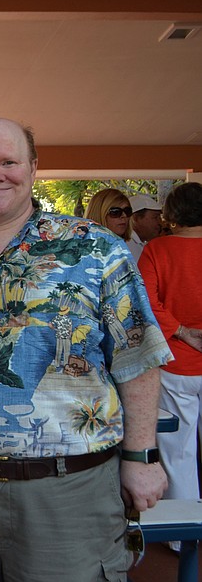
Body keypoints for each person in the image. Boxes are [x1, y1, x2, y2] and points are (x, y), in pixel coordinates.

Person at [0, 117, 172, 581]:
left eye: (8, 161)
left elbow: (137, 358)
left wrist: (141, 456)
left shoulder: (96, 250)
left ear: (33, 167)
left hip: (67, 488)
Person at [138, 182, 202, 551]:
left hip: (177, 362)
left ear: (171, 214)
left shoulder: (156, 250)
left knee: (178, 453)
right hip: (181, 359)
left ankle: (182, 535)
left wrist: (180, 330)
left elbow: (145, 303)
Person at [128, 194, 163, 261]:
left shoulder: (140, 244)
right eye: (155, 217)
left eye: (160, 218)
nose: (160, 223)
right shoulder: (126, 246)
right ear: (136, 218)